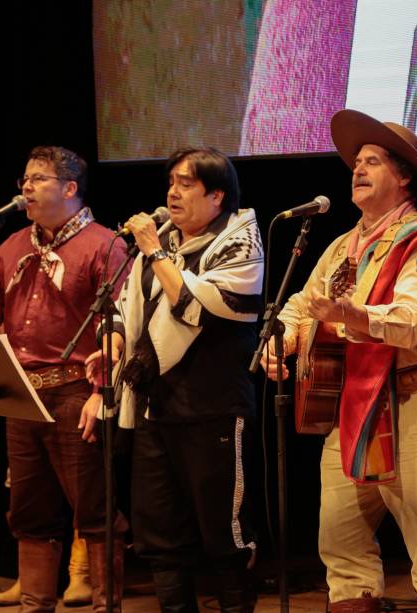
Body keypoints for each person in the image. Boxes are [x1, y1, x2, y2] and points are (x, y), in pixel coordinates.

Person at [261, 110, 417, 613]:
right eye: (356, 162)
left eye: (373, 161)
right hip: (351, 410)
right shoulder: (340, 246)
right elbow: (298, 304)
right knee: (340, 543)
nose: (357, 169)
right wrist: (283, 339)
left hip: (415, 404)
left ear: (405, 178)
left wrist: (348, 315)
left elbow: (412, 321)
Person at [0, 145, 129, 612]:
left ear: (70, 189)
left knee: (93, 506)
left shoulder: (104, 244)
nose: (25, 186)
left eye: (39, 178)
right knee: (29, 508)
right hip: (20, 392)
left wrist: (102, 391)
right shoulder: (12, 245)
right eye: (24, 178)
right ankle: (35, 602)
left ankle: (107, 602)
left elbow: (122, 320)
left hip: (76, 389)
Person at [86, 148, 264, 612]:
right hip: (155, 408)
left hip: (213, 408)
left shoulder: (240, 244)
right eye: (171, 182)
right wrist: (114, 345)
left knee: (226, 538)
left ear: (216, 196)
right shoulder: (159, 246)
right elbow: (128, 308)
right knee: (162, 538)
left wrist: (155, 250)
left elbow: (196, 305)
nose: (172, 192)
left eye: (186, 183)